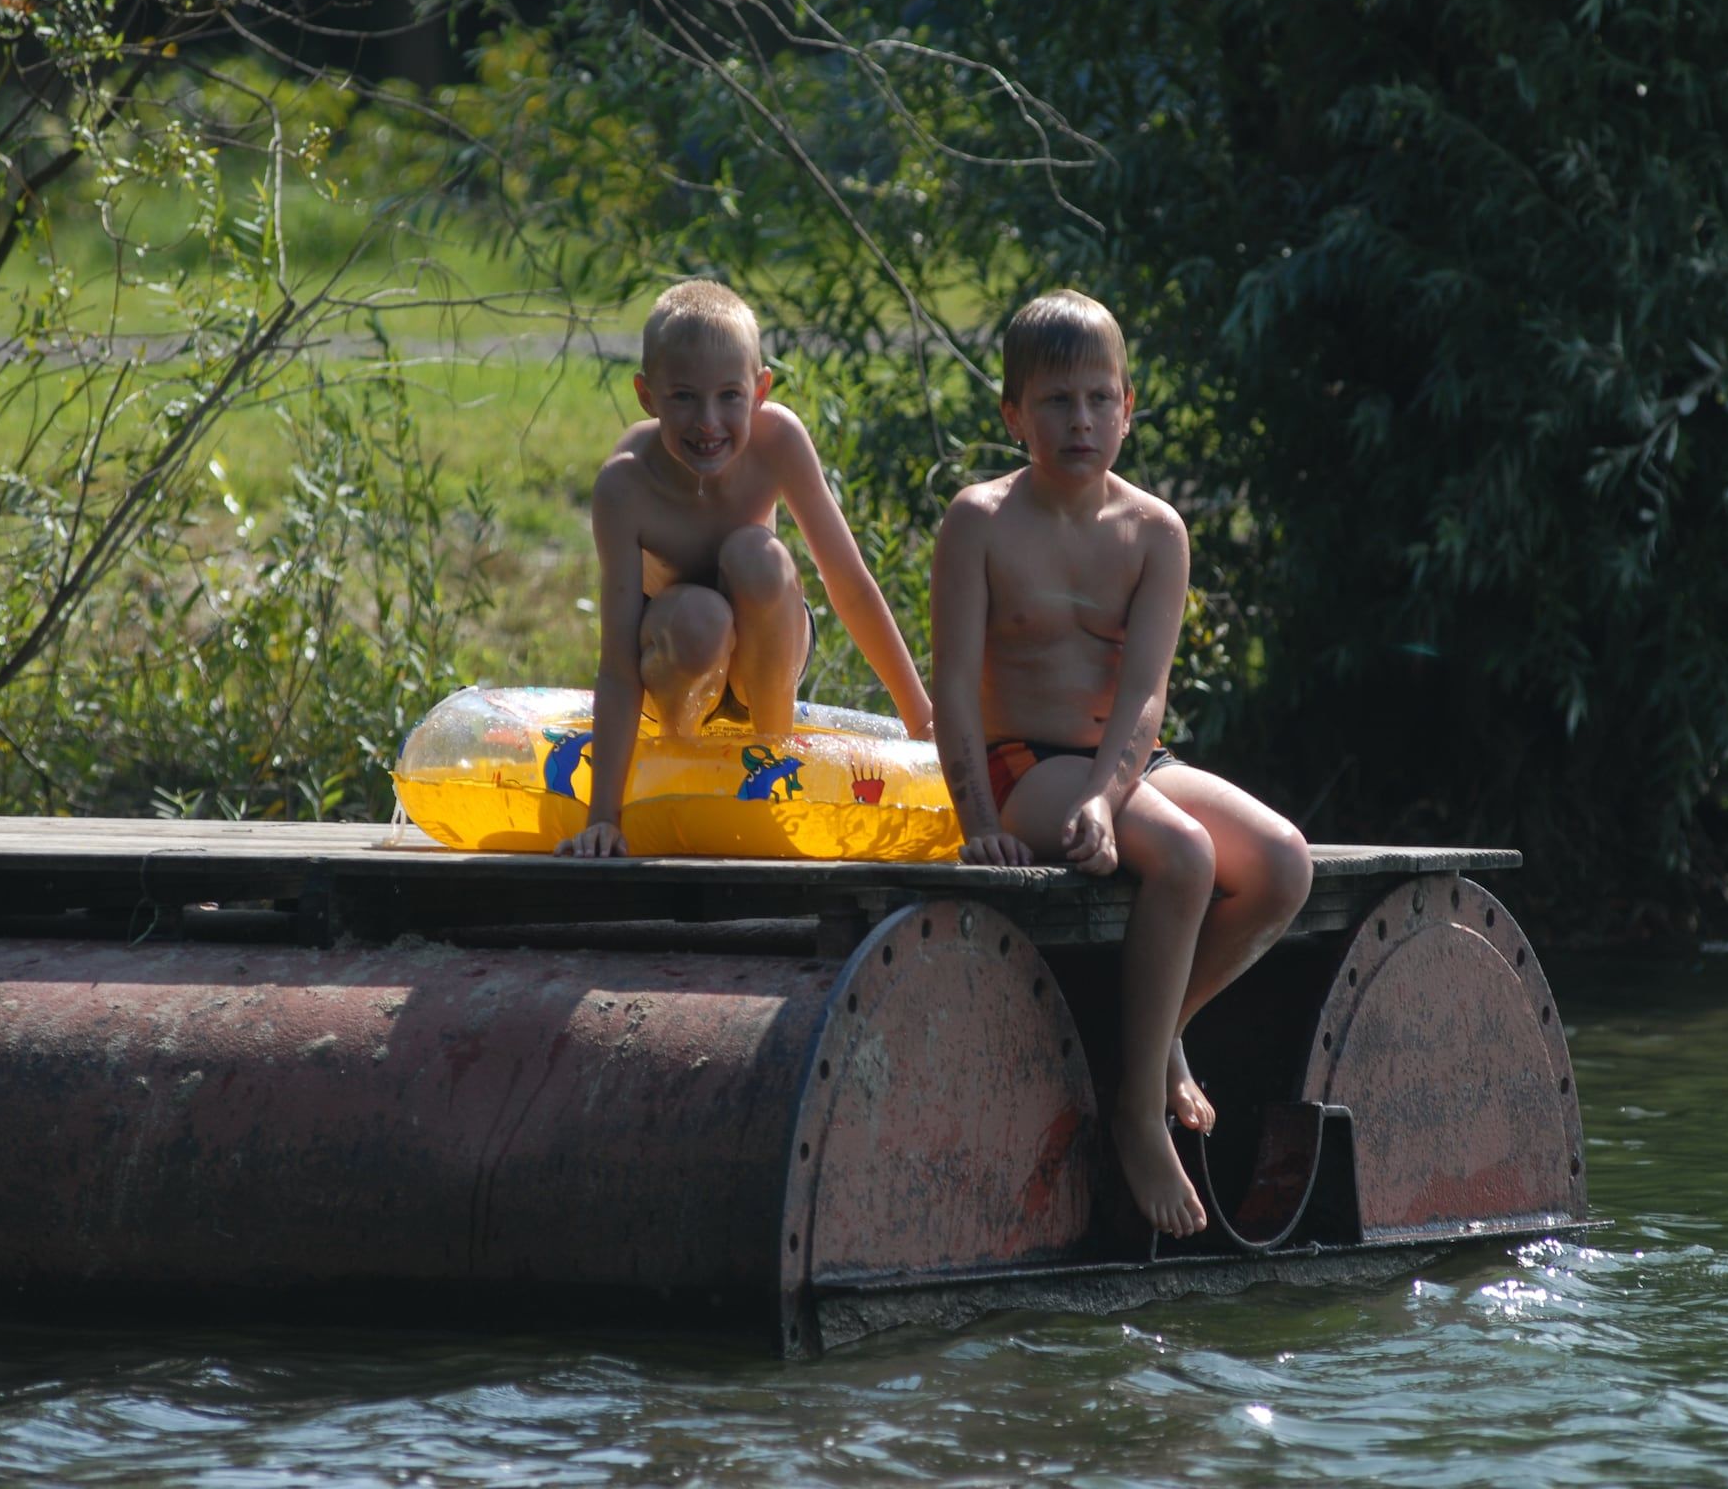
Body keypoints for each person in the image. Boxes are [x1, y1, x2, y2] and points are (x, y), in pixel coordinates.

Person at [929, 290, 1314, 1238]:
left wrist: (1108, 798)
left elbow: (1145, 698)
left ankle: (1155, 1039)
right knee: (1182, 856)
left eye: (1101, 399)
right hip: (1025, 767)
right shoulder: (979, 521)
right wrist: (978, 821)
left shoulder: (1156, 532)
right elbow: (949, 691)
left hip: (1120, 763)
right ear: (1013, 414)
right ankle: (1138, 1118)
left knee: (1283, 864)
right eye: (1056, 402)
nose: (1081, 421)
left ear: (1129, 407)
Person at [557, 279, 933, 858]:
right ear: (647, 395)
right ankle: (683, 771)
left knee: (757, 556)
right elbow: (616, 662)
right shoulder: (625, 484)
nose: (709, 421)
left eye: (729, 396)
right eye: (683, 396)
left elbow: (849, 584)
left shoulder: (778, 439)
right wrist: (603, 815)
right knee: (700, 618)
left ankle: (774, 766)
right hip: (679, 663)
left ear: (760, 390)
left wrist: (920, 718)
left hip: (767, 658)